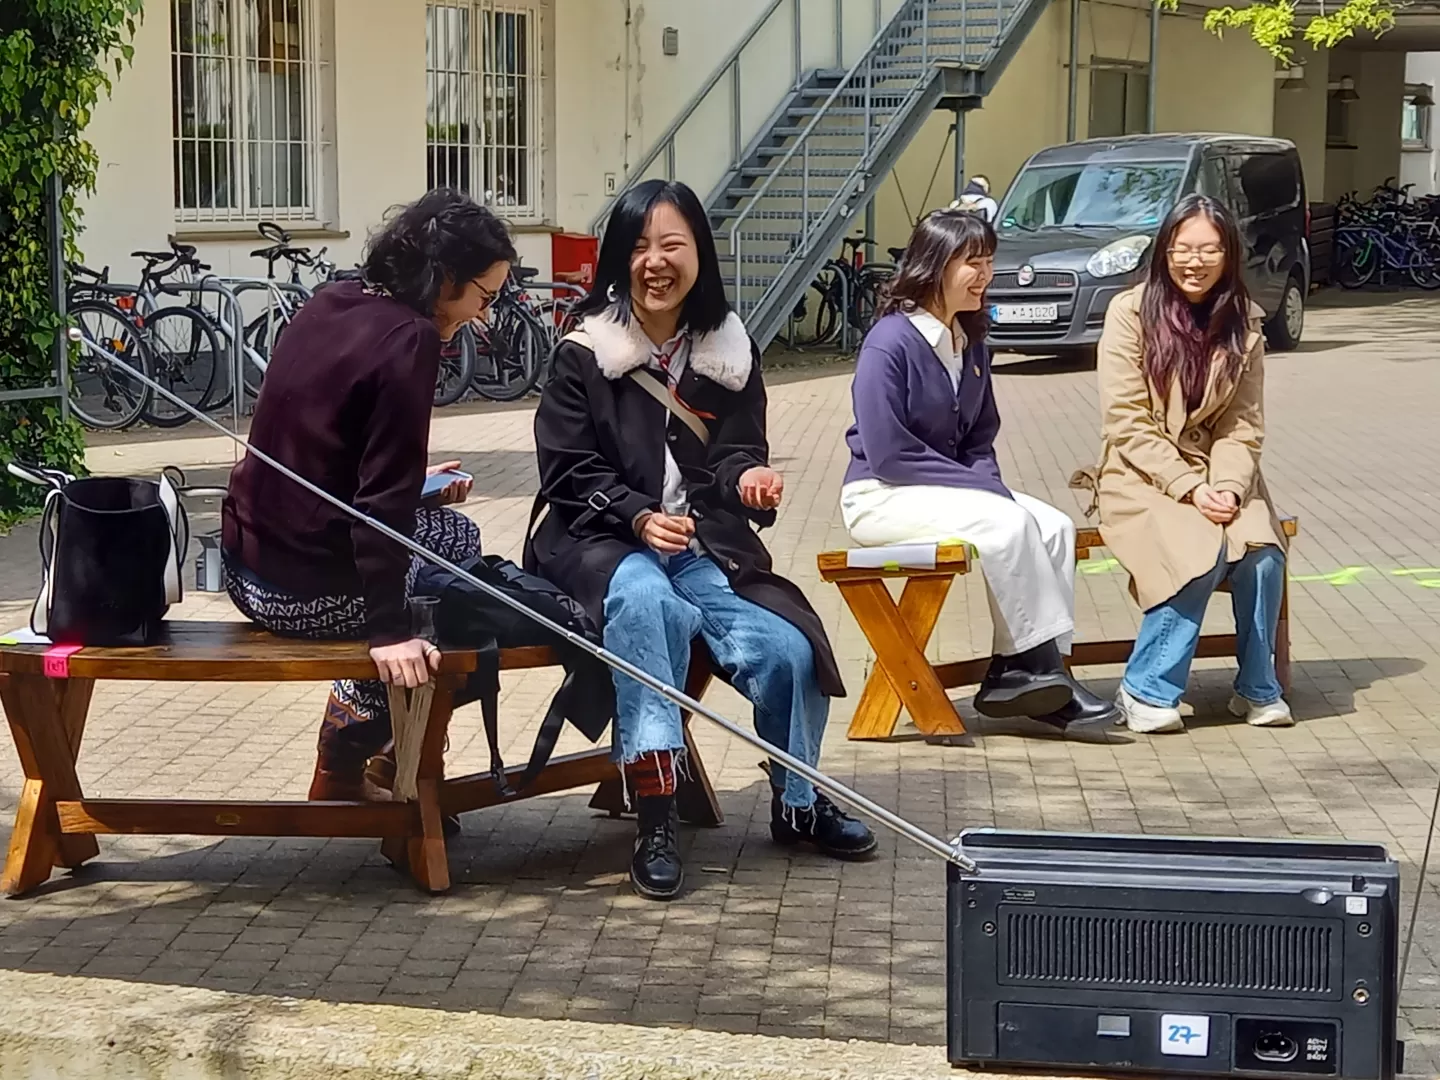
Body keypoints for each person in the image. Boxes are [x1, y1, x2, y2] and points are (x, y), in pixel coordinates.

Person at [526, 178, 876, 900]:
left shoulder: (728, 350)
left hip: (705, 548)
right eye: (639, 247)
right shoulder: (584, 351)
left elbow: (735, 452)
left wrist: (749, 480)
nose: (655, 261)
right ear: (619, 260)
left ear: (699, 256)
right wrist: (634, 515)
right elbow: (566, 470)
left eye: (672, 245)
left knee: (788, 647)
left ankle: (798, 800)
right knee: (645, 602)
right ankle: (655, 811)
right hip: (599, 544)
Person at [222, 189, 516, 799]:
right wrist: (390, 634)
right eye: (483, 297)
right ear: (446, 277)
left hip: (243, 567)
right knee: (457, 590)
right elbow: (380, 505)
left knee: (450, 544)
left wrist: (419, 482)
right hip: (300, 593)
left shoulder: (334, 297)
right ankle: (359, 750)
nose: (484, 316)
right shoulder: (412, 339)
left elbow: (325, 451)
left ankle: (368, 754)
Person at [840, 208, 1116, 736]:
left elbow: (980, 437)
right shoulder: (889, 342)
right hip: (880, 496)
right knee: (1007, 524)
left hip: (946, 491)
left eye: (989, 261)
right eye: (973, 262)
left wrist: (988, 483)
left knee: (1054, 525)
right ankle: (1026, 672)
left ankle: (1040, 678)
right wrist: (988, 491)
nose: (985, 274)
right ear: (936, 266)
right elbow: (889, 454)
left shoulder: (970, 340)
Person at [1095, 193, 1292, 734]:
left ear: (1228, 255)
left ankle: (1258, 688)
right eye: (1183, 248)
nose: (1194, 261)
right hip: (1141, 474)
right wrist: (1186, 486)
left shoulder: (1244, 324)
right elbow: (1124, 419)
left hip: (1221, 473)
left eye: (1208, 250)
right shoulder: (1129, 312)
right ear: (1164, 252)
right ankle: (1145, 690)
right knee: (1196, 549)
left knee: (1262, 552)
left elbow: (1242, 424)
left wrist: (1226, 486)